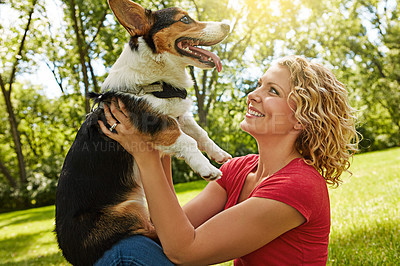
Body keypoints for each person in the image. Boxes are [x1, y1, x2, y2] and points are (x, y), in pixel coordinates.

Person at [96, 55, 359, 265]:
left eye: (273, 91)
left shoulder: (299, 185)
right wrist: (161, 135)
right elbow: (163, 231)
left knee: (126, 254)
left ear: (302, 118)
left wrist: (145, 155)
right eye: (259, 84)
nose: (254, 95)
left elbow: (184, 251)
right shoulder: (238, 170)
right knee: (128, 247)